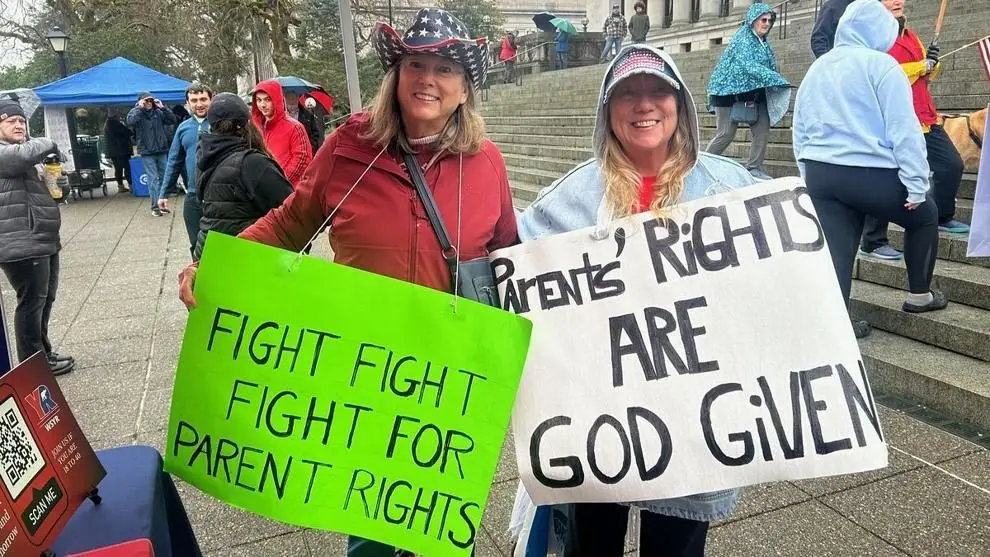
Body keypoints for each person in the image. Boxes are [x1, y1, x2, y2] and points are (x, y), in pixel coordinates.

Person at [177, 8, 517, 554]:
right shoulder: (350, 146)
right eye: (416, 64)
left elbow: (508, 256)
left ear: (464, 89)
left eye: (445, 68)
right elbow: (290, 221)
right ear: (396, 76)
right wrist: (218, 265)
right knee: (371, 524)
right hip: (363, 370)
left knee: (441, 526)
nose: (428, 78)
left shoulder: (487, 163)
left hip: (447, 375)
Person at [512, 44, 755, 557]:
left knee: (677, 544)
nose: (644, 104)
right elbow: (522, 285)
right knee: (592, 542)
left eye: (657, 91)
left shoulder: (730, 187)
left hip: (693, 416)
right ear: (608, 111)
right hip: (600, 416)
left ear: (679, 104)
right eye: (628, 93)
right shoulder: (568, 201)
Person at [793, 0, 947, 340]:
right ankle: (920, 295)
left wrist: (806, 171)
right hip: (869, 172)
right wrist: (916, 183)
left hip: (823, 172)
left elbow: (799, 125)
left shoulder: (819, 67)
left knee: (838, 245)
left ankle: (837, 323)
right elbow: (904, 131)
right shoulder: (883, 65)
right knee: (924, 216)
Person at [860, 0, 970, 261]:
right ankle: (873, 240)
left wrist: (933, 62)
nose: (897, 1)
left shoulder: (911, 35)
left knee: (951, 165)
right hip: (894, 118)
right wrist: (922, 66)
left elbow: (926, 75)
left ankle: (942, 214)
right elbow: (885, 73)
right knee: (887, 176)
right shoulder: (873, 37)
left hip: (925, 115)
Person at [0, 99, 75, 375]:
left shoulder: (24, 153)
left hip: (42, 238)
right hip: (20, 241)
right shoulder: (9, 153)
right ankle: (33, 364)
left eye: (21, 121)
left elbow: (48, 193)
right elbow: (19, 159)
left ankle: (43, 352)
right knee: (31, 302)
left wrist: (59, 186)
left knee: (45, 298)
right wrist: (49, 142)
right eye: (10, 121)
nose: (18, 125)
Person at [193, 93, 293, 260]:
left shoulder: (204, 154)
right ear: (248, 122)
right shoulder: (252, 163)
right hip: (243, 255)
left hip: (209, 251)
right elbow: (290, 209)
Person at [706, 3, 790, 180]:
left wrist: (774, 79)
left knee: (762, 129)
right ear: (753, 20)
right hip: (727, 94)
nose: (767, 23)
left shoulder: (763, 43)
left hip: (754, 93)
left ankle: (754, 167)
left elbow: (769, 66)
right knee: (725, 134)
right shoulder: (742, 39)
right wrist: (776, 79)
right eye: (763, 20)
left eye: (769, 20)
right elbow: (748, 65)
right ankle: (703, 164)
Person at [163, 83, 214, 258]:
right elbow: (174, 161)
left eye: (203, 99)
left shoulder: (221, 124)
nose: (199, 104)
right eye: (194, 100)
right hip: (193, 195)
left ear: (211, 100)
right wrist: (164, 192)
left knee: (219, 243)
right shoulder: (183, 127)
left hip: (218, 195)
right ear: (187, 103)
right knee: (196, 243)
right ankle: (199, 279)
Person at [250, 80, 313, 187]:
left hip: (289, 189)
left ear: (276, 100)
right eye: (259, 100)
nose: (262, 105)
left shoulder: (295, 127)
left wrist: (281, 180)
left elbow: (302, 158)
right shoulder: (254, 126)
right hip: (262, 188)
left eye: (267, 99)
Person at [127, 92, 178, 216]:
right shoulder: (135, 113)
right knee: (153, 179)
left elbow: (172, 120)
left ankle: (162, 204)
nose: (149, 103)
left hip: (161, 150)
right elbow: (131, 122)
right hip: (147, 152)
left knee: (165, 178)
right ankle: (155, 207)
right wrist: (140, 107)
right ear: (140, 101)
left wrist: (163, 107)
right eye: (146, 101)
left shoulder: (158, 112)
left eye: (151, 101)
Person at [283, 90, 324, 154]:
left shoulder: (307, 115)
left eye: (293, 97)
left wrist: (311, 148)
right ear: (285, 99)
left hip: (304, 151)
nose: (291, 100)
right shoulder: (280, 115)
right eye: (289, 97)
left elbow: (315, 134)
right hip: (285, 152)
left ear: (298, 98)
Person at [103, 110, 133, 192]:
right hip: (120, 151)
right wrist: (129, 131)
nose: (120, 116)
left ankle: (120, 185)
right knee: (126, 168)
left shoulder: (109, 123)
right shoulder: (113, 124)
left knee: (118, 169)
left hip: (114, 151)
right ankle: (131, 185)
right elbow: (126, 132)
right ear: (115, 116)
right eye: (119, 114)